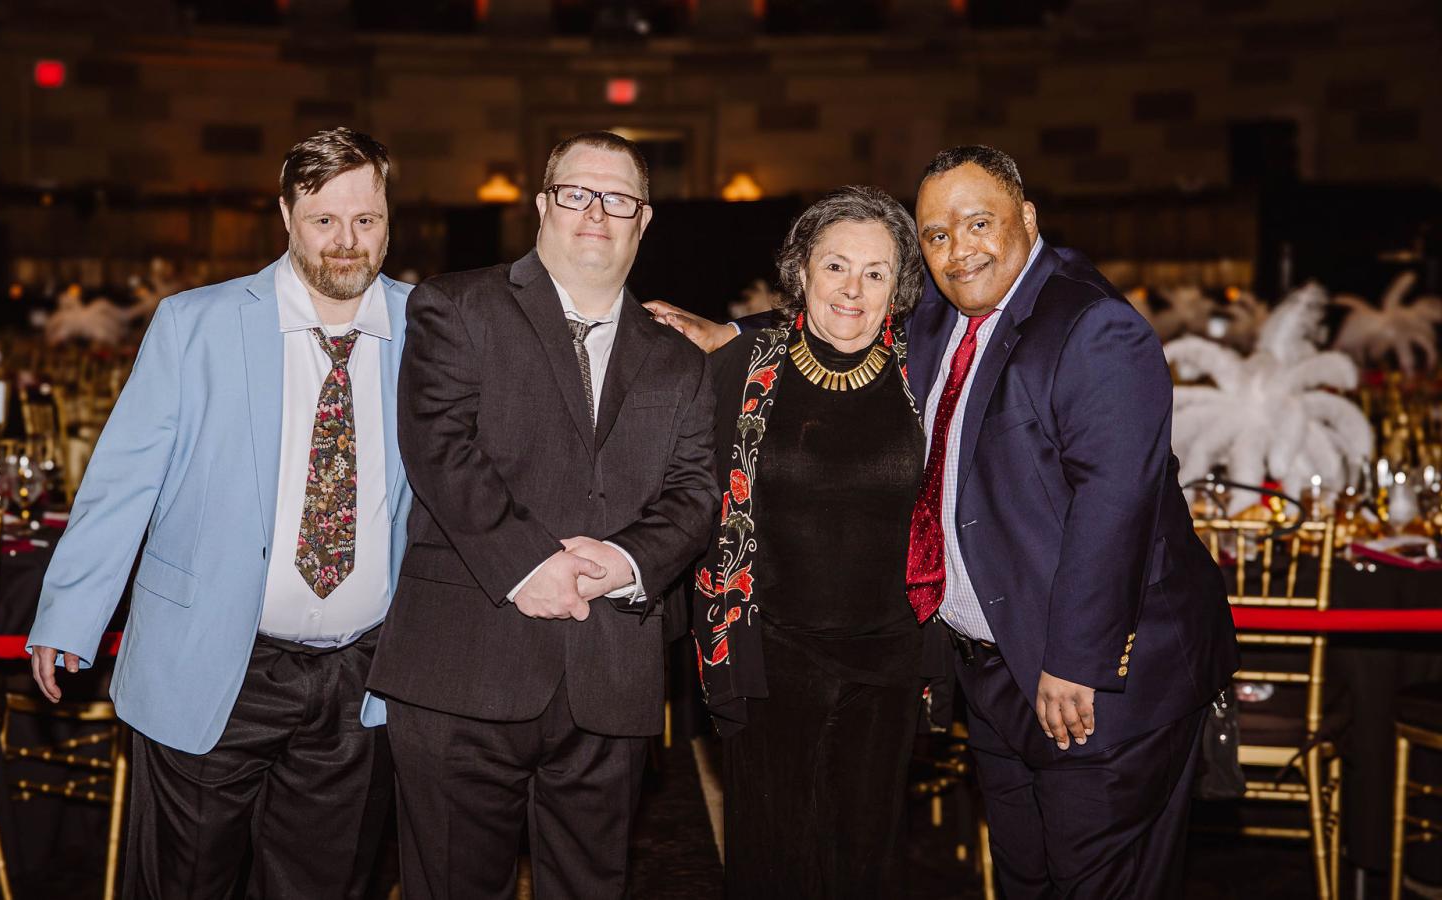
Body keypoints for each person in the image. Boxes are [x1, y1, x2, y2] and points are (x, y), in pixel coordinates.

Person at [26, 127, 412, 898]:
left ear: (388, 220)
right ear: (285, 216)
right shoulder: (193, 324)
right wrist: (70, 612)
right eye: (323, 221)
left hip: (363, 674)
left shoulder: (431, 327)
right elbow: (123, 479)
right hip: (214, 663)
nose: (346, 242)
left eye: (365, 221)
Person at [368, 131, 717, 900]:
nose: (596, 210)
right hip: (463, 667)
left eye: (618, 197)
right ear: (541, 205)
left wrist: (623, 564)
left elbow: (695, 493)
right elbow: (439, 446)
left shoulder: (681, 360)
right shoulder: (455, 306)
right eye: (575, 192)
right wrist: (532, 562)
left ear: (644, 219)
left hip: (612, 678)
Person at [905, 145, 1238, 898]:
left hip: (1096, 684)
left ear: (1027, 218)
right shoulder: (936, 320)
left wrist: (1076, 661)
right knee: (1026, 879)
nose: (958, 250)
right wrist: (731, 336)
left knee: (1098, 884)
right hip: (995, 675)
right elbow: (842, 314)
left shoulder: (1093, 326)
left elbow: (1116, 504)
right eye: (935, 235)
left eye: (978, 222)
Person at [691, 186, 933, 898]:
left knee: (866, 862)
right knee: (771, 860)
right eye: (836, 266)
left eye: (876, 272)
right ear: (801, 270)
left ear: (902, 285)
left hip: (888, 664)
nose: (852, 290)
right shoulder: (738, 368)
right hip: (770, 657)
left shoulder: (929, 370)